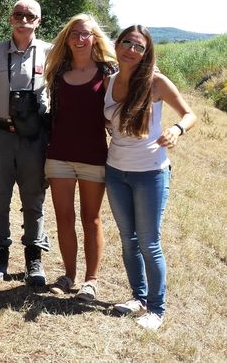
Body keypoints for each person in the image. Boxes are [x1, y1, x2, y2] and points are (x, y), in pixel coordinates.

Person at [104, 25, 196, 331]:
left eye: (139, 46)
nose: (131, 49)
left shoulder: (155, 83)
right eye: (127, 42)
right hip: (116, 171)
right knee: (128, 241)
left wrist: (176, 129)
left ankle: (156, 309)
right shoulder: (109, 80)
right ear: (117, 45)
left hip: (151, 173)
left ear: (146, 52)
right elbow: (109, 122)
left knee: (149, 242)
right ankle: (139, 298)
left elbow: (189, 114)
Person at [0, 0, 52, 287]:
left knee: (34, 198)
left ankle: (34, 258)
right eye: (18, 14)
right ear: (10, 18)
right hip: (0, 134)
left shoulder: (50, 53)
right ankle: (0, 255)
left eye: (30, 15)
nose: (24, 19)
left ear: (38, 21)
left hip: (34, 137)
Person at [43, 13, 117, 300]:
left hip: (94, 156)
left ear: (94, 37)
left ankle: (91, 280)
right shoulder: (57, 73)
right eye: (74, 34)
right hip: (59, 155)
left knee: (92, 219)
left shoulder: (108, 73)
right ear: (67, 38)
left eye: (85, 33)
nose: (79, 38)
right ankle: (69, 275)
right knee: (63, 217)